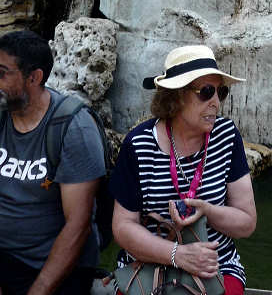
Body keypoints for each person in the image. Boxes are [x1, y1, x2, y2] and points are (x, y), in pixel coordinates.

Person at [0, 29, 106, 295]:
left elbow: (78, 225)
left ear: (34, 77)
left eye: (2, 73)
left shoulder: (73, 127)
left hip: (56, 269)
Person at [110, 44, 257, 295]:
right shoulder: (138, 145)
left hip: (216, 268)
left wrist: (208, 211)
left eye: (220, 92)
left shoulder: (227, 136)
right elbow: (123, 228)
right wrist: (178, 255)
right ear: (176, 96)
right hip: (148, 267)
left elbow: (246, 223)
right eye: (206, 92)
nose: (215, 103)